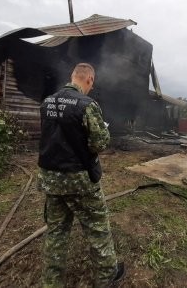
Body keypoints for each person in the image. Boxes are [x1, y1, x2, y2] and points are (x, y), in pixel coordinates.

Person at [37, 62, 125, 288]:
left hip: (50, 180)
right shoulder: (87, 105)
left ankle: (51, 282)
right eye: (92, 83)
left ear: (72, 76)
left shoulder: (47, 102)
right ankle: (107, 277)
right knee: (97, 228)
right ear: (89, 80)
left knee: (56, 232)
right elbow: (99, 143)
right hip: (79, 181)